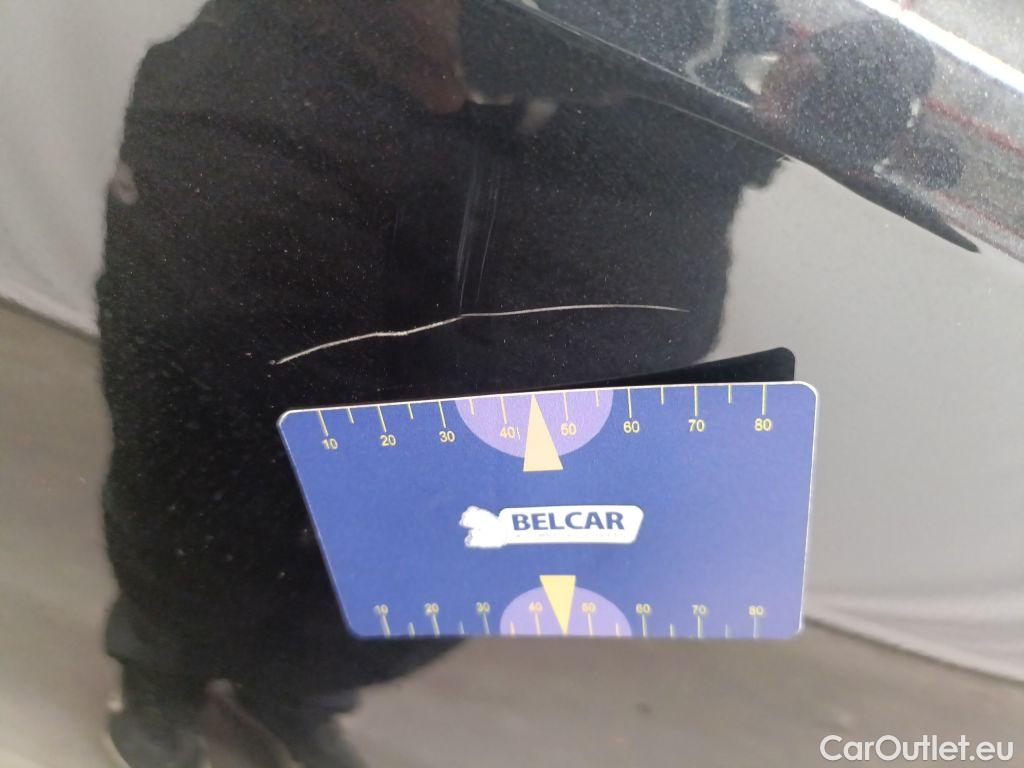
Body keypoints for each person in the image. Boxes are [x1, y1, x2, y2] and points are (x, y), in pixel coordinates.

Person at [98, 2, 953, 766]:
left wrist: (849, 78)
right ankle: (165, 663)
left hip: (627, 205)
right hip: (327, 102)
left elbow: (798, 75)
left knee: (497, 513)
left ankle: (294, 680)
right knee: (221, 427)